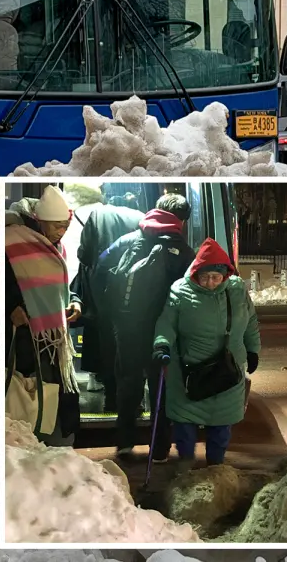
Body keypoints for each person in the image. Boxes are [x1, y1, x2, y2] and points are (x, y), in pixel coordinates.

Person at [94, 194, 194, 462]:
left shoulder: (126, 240)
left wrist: (109, 311)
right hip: (162, 329)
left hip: (127, 325)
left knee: (127, 382)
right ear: (181, 221)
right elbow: (190, 293)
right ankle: (159, 448)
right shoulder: (183, 251)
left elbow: (99, 267)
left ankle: (125, 443)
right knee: (160, 385)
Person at [153, 238, 261, 475]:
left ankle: (215, 466)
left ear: (225, 274)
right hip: (190, 371)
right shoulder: (180, 291)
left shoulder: (236, 290)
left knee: (221, 424)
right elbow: (166, 324)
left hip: (228, 370)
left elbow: (251, 321)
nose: (210, 283)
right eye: (205, 277)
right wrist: (162, 345)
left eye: (215, 277)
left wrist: (253, 350)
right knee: (184, 424)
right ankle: (185, 466)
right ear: (195, 274)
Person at [4, 185, 81, 447]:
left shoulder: (55, 246)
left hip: (51, 335)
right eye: (57, 226)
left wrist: (73, 302)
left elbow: (61, 286)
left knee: (49, 391)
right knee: (28, 388)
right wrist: (11, 305)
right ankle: (28, 444)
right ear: (40, 221)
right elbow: (3, 281)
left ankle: (49, 441)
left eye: (65, 225)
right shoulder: (12, 240)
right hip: (25, 333)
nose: (62, 231)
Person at [69, 201, 144, 412]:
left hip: (103, 293)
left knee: (109, 346)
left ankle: (113, 399)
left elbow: (84, 254)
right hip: (133, 296)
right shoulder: (139, 216)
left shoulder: (96, 217)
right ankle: (134, 401)